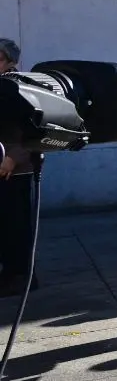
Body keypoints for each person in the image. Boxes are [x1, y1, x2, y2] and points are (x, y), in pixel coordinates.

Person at [0, 39, 43, 297]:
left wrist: (13, 158)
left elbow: (30, 127)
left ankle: (21, 276)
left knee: (16, 225)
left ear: (10, 62)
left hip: (17, 169)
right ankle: (8, 273)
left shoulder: (19, 87)